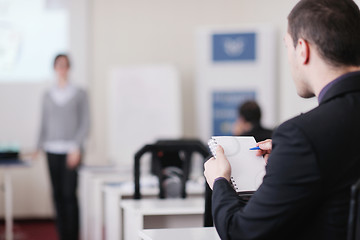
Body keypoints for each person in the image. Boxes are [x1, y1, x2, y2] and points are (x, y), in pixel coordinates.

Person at [204, 0, 360, 239]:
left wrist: (220, 181)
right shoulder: (305, 141)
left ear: (302, 49)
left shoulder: (302, 136)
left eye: (287, 46)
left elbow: (241, 233)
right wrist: (293, 158)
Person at [36, 54, 90, 240]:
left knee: (69, 195)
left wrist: (77, 147)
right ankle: (62, 235)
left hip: (71, 150)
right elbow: (43, 122)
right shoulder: (48, 95)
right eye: (58, 65)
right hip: (51, 149)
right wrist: (38, 146)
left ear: (69, 68)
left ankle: (73, 236)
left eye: (65, 65)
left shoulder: (80, 93)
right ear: (54, 68)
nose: (62, 69)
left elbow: (85, 123)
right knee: (57, 194)